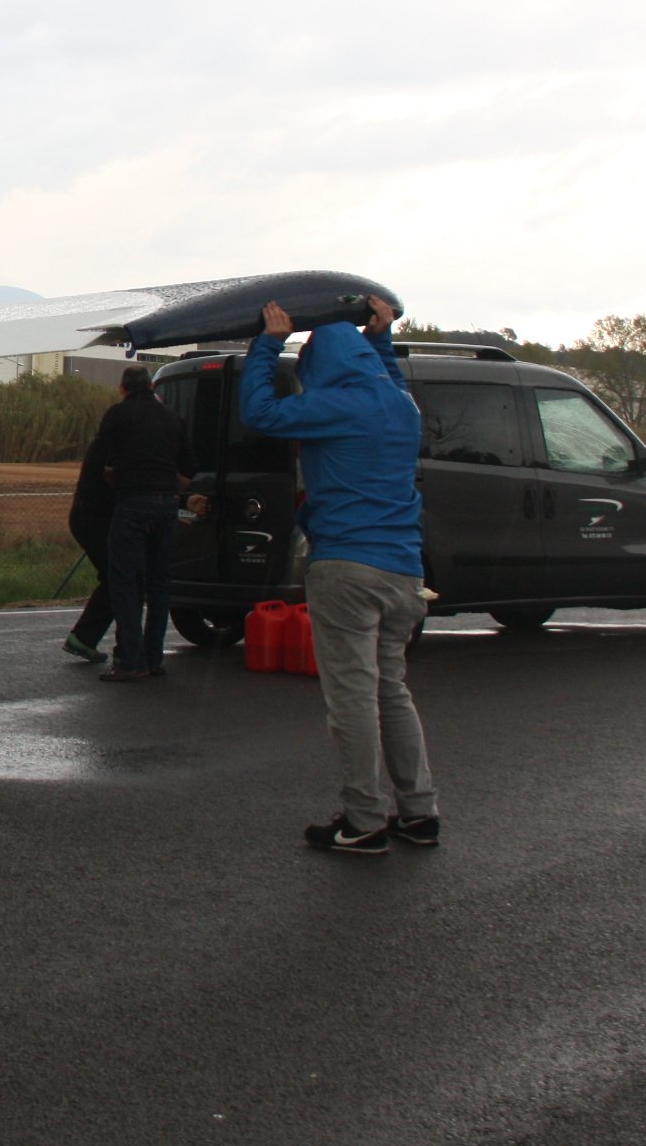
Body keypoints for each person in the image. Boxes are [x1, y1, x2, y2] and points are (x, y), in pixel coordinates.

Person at [240, 297, 438, 856]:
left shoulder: (334, 405)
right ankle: (419, 813)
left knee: (352, 700)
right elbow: (386, 375)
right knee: (389, 690)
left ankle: (364, 821)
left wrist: (267, 345)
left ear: (319, 365)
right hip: (405, 571)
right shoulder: (403, 407)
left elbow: (261, 414)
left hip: (347, 568)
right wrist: (379, 338)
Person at [86, 365, 200, 682]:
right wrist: (166, 490)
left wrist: (116, 480)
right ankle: (153, 657)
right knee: (159, 583)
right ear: (152, 386)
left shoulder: (117, 415)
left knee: (125, 581)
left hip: (132, 504)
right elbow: (190, 469)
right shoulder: (172, 418)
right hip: (166, 507)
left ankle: (129, 660)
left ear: (123, 389)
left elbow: (99, 463)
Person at [60, 437, 115, 663]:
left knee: (114, 577)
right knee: (117, 577)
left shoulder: (109, 438)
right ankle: (83, 638)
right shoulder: (115, 443)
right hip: (95, 519)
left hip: (90, 517)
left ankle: (84, 638)